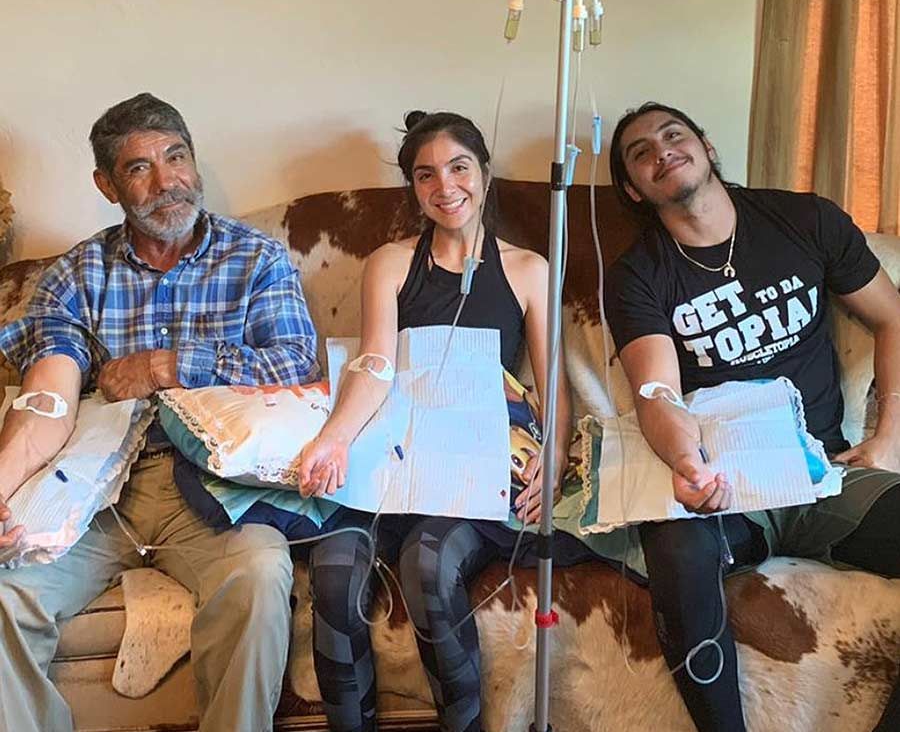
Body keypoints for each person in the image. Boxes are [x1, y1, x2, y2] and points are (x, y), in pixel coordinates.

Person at [0, 93, 319, 732]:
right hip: (96, 489)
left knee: (260, 571)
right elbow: (48, 397)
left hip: (211, 488)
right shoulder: (76, 274)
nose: (166, 180)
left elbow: (295, 363)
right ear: (107, 184)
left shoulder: (255, 259)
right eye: (139, 167)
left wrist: (166, 365)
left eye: (176, 156)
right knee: (5, 593)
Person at [604, 101, 900, 732]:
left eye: (674, 135)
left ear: (706, 146)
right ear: (634, 187)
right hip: (727, 485)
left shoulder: (803, 219)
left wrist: (886, 438)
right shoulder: (637, 274)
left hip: (824, 469)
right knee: (676, 547)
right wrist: (687, 463)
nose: (662, 152)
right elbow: (656, 391)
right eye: (641, 152)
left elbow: (892, 316)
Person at [296, 110, 595, 732]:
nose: (445, 187)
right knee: (333, 570)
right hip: (396, 451)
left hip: (473, 461)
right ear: (413, 187)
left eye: (459, 168)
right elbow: (376, 363)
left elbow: (552, 383)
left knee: (426, 562)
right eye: (426, 175)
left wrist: (557, 452)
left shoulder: (528, 270)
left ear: (484, 174)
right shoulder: (390, 262)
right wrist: (334, 438)